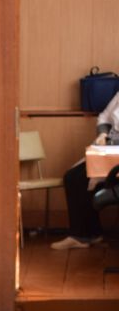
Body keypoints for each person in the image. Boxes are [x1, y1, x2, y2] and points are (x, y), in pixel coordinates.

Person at [51, 91, 119, 249]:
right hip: (109, 150)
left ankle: (85, 235)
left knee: (84, 180)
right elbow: (104, 116)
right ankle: (88, 234)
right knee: (73, 177)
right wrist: (102, 134)